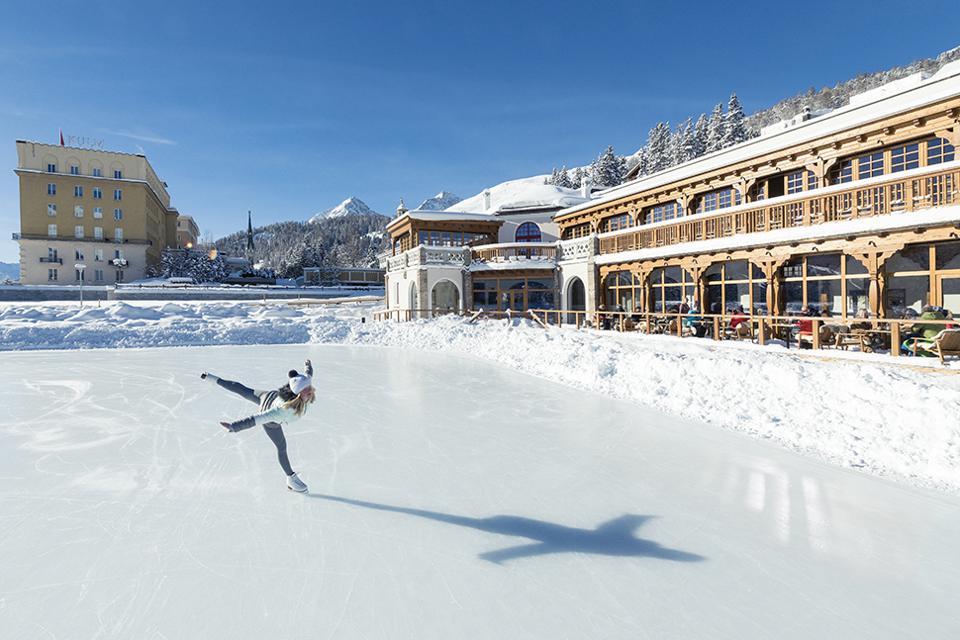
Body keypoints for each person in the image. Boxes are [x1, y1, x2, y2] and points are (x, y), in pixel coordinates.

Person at [202, 359, 316, 493]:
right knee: (281, 447)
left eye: (309, 387)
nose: (310, 390)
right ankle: (291, 479)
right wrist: (234, 426)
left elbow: (308, 375)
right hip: (270, 417)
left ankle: (211, 378)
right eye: (306, 389)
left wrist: (308, 366)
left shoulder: (305, 389)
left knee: (244, 390)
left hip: (269, 395)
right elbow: (257, 419)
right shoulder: (280, 412)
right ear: (297, 394)